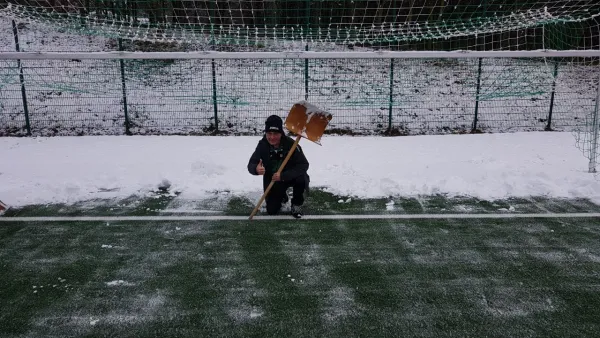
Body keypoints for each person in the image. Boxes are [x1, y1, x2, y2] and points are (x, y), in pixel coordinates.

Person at [247, 115, 309, 218]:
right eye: (269, 133)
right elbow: (251, 164)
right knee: (272, 210)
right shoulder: (262, 145)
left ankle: (296, 204)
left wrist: (283, 176)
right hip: (273, 180)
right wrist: (256, 169)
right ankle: (282, 196)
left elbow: (303, 165)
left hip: (290, 177)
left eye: (275, 134)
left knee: (301, 178)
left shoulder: (291, 145)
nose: (272, 137)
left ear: (281, 133)